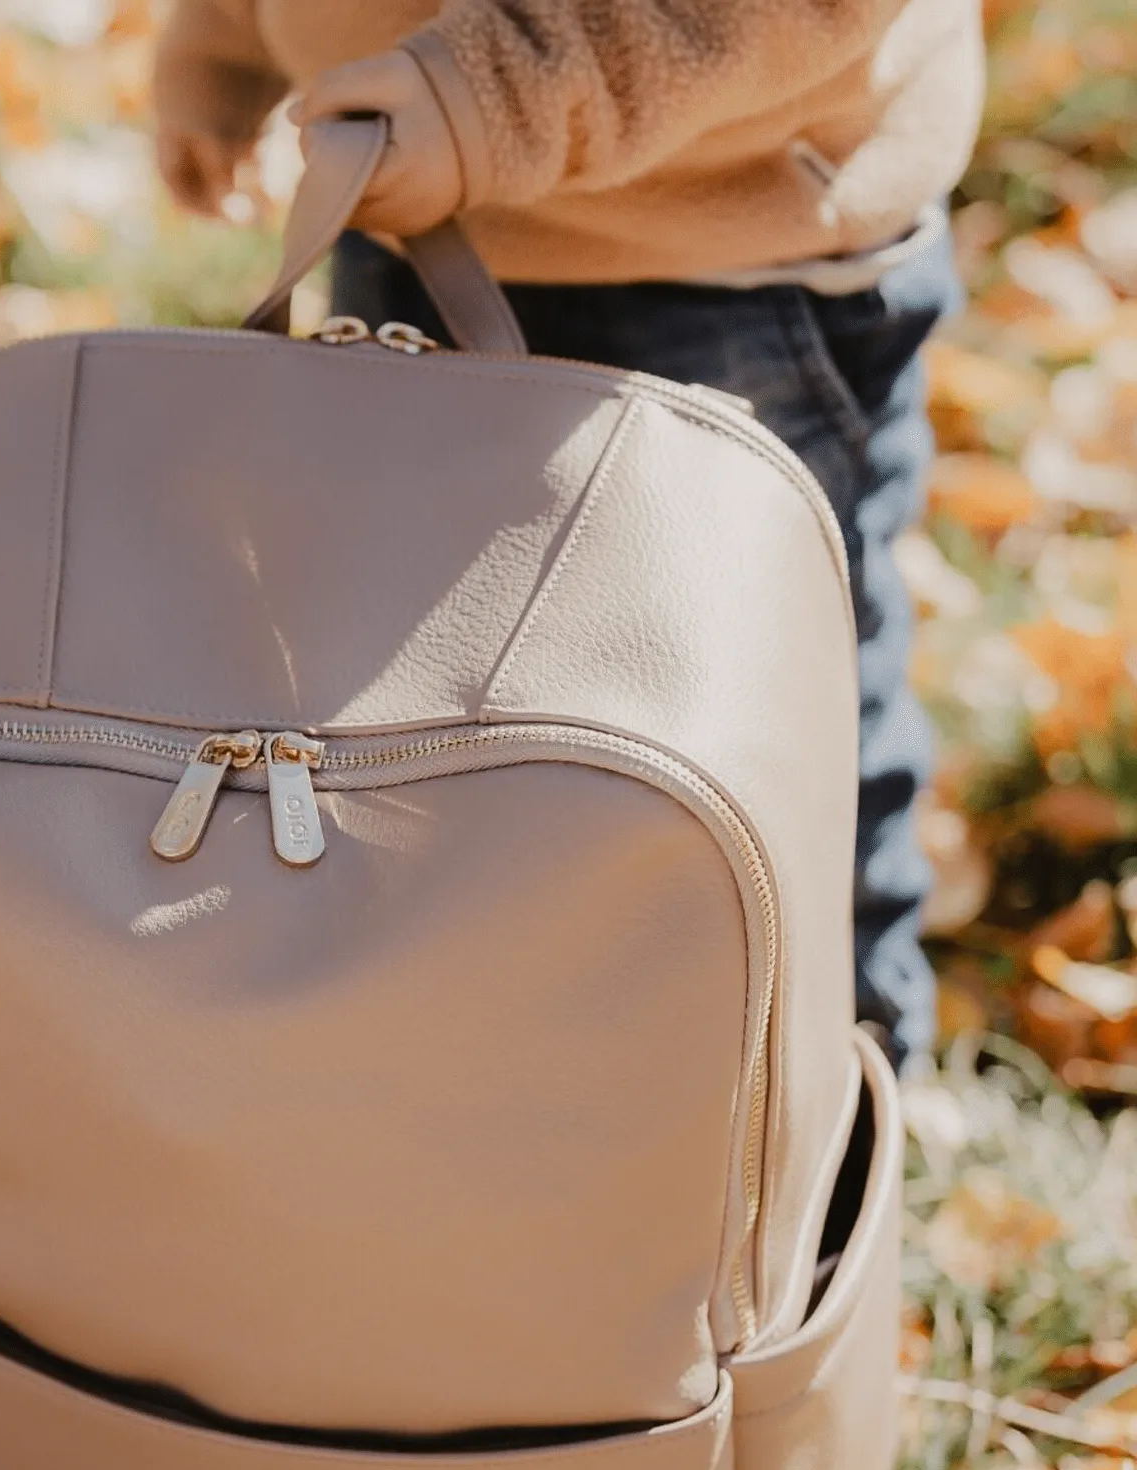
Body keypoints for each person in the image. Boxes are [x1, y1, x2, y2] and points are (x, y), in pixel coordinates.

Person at [152, 0, 986, 1070]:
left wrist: (500, 92)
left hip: (719, 257)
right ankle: (520, 1077)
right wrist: (224, 49)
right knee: (421, 700)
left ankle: (825, 1097)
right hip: (410, 203)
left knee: (772, 723)